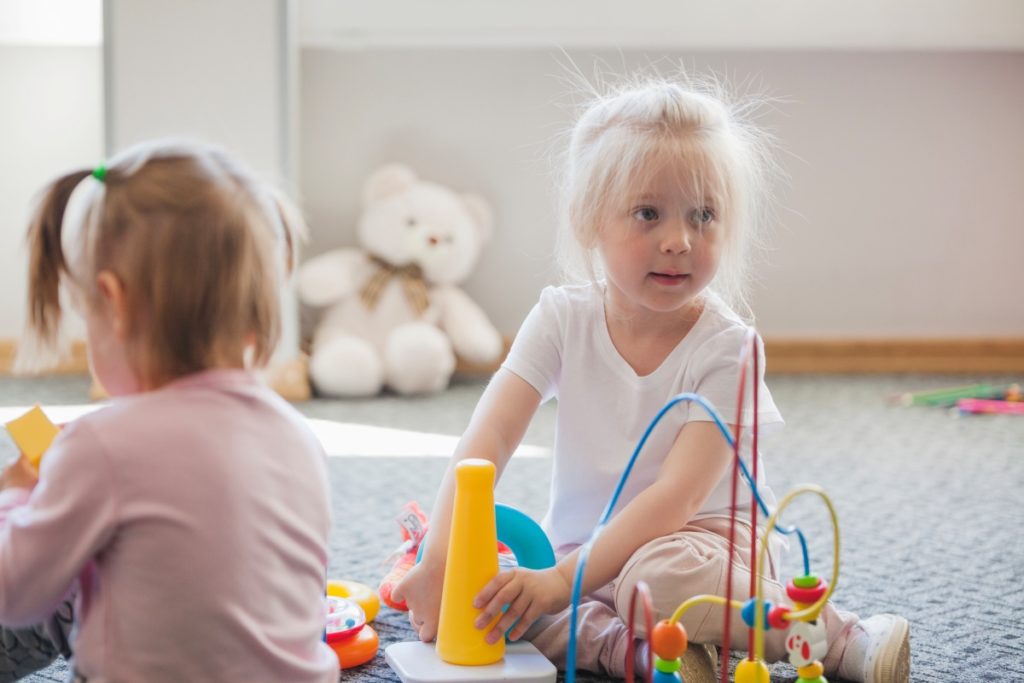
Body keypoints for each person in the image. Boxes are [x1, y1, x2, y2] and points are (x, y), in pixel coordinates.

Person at [392, 74, 911, 683]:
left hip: (707, 547)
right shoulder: (560, 317)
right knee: (503, 596)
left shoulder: (729, 347)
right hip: (587, 557)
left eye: (704, 215)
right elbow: (487, 440)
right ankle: (641, 652)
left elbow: (677, 498)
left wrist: (561, 581)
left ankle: (837, 635)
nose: (678, 240)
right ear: (589, 220)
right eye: (648, 213)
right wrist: (440, 554)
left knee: (649, 580)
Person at [0, 140, 338, 682]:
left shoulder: (99, 445)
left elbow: (15, 596)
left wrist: (17, 494)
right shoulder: (299, 437)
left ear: (113, 303)